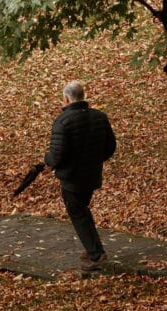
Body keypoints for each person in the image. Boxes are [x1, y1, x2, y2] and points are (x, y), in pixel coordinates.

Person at [44, 81, 117, 271]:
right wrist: (94, 160)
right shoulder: (99, 117)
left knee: (78, 213)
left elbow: (56, 155)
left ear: (66, 98)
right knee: (82, 211)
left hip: (72, 178)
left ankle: (96, 254)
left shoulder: (63, 121)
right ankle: (93, 248)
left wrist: (47, 160)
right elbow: (110, 147)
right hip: (92, 175)